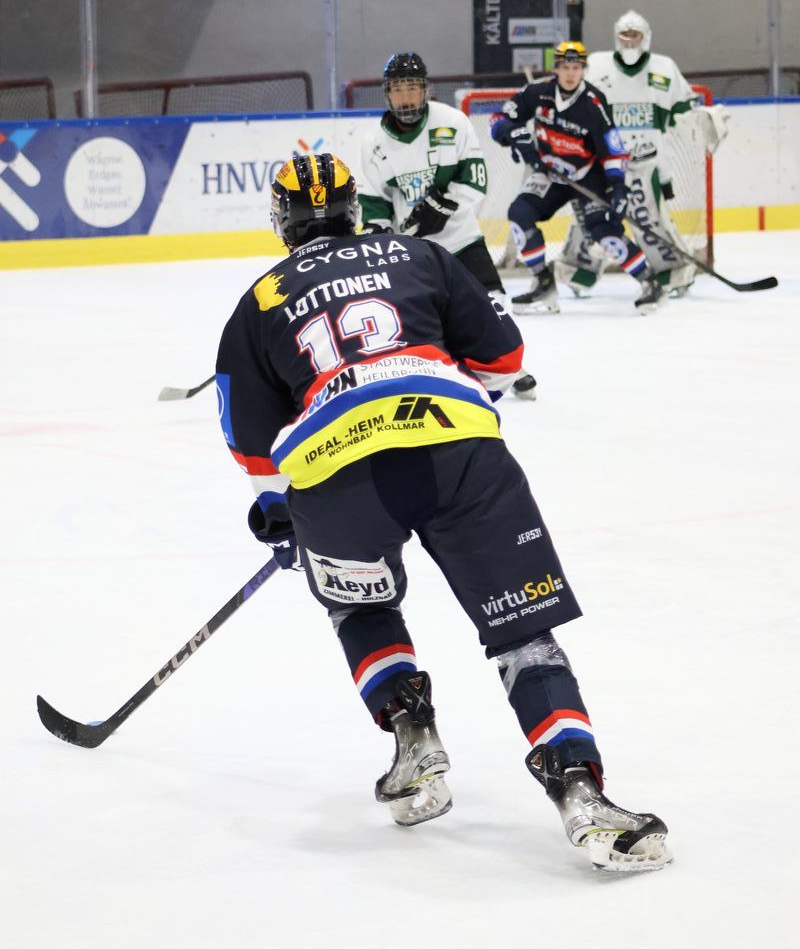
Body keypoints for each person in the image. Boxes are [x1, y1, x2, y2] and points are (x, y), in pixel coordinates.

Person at [215, 150, 672, 873]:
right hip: (456, 447)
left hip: (335, 471)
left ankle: (412, 736)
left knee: (358, 606)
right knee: (525, 637)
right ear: (353, 211)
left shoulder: (260, 299)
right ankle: (582, 796)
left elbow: (249, 442)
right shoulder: (415, 252)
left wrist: (277, 512)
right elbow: (506, 358)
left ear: (282, 223)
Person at [358, 51, 537, 397]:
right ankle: (441, 368)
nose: (406, 97)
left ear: (425, 90)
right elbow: (375, 203)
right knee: (420, 316)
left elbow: (475, 180)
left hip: (461, 238)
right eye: (398, 89)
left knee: (494, 301)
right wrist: (381, 237)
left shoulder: (453, 122)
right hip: (416, 250)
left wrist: (439, 206)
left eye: (412, 88)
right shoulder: (374, 144)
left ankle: (506, 366)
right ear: (387, 94)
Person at [556, 11, 729, 298]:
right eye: (624, 35)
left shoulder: (664, 68)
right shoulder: (597, 65)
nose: (629, 41)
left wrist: (702, 118)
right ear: (616, 37)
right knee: (590, 217)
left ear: (646, 37)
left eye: (634, 35)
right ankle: (578, 271)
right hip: (601, 163)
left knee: (650, 220)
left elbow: (682, 109)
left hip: (647, 162)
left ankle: (673, 272)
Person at [490, 40, 666, 314]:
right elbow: (499, 118)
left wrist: (618, 186)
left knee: (603, 230)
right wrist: (511, 133)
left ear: (583, 69)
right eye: (565, 67)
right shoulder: (538, 93)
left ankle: (649, 283)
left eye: (576, 67)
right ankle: (544, 283)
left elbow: (613, 149)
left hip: (588, 177)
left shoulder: (594, 102)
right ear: (556, 69)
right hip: (550, 173)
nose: (570, 73)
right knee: (519, 214)